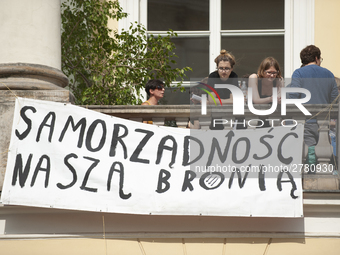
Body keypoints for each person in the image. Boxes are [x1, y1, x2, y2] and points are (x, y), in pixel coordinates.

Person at [288, 45, 339, 171]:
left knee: (309, 155)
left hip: (305, 121)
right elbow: (335, 100)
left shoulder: (299, 73)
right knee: (323, 153)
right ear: (316, 58)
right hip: (324, 123)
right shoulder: (328, 74)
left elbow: (293, 97)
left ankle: (311, 178)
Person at [248, 57, 283, 128]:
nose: (272, 75)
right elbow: (256, 100)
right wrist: (271, 99)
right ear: (262, 71)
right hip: (254, 118)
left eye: (274, 73)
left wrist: (279, 100)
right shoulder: (254, 78)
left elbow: (280, 100)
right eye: (269, 72)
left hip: (272, 119)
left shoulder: (279, 80)